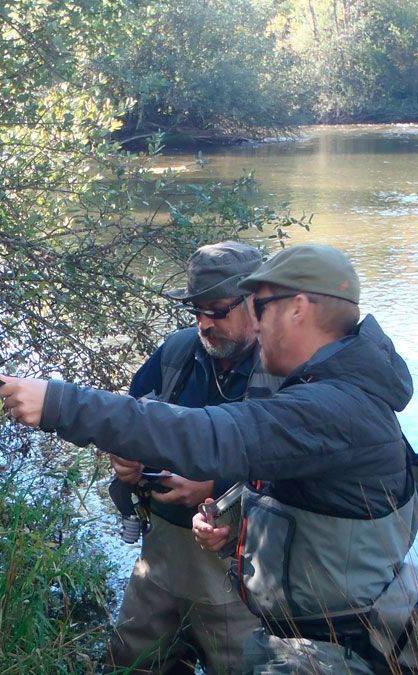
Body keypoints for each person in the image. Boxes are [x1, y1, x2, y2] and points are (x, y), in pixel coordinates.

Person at [0, 245, 418, 673]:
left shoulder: (332, 405)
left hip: (317, 642)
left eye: (258, 306)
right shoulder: (331, 383)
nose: (256, 323)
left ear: (297, 309)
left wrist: (60, 403)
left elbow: (213, 436)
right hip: (277, 615)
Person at [105, 242, 281, 674]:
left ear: (255, 302)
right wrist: (125, 458)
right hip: (159, 565)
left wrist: (214, 491)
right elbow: (131, 419)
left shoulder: (287, 369)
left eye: (218, 310)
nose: (205, 323)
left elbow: (303, 474)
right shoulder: (177, 353)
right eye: (197, 311)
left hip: (241, 575)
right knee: (130, 665)